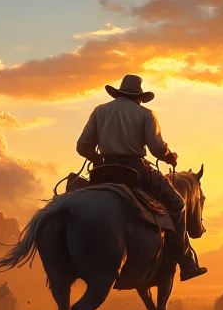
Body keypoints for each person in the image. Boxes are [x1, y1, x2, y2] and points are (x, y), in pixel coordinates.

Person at [76, 74, 207, 282]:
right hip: (135, 169)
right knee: (177, 203)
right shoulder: (145, 114)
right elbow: (156, 149)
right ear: (139, 97)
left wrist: (98, 158)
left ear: (119, 93)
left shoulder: (100, 111)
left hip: (104, 168)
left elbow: (82, 146)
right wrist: (169, 156)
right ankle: (184, 259)